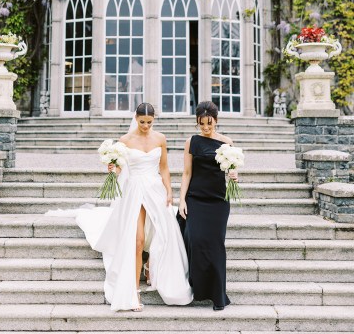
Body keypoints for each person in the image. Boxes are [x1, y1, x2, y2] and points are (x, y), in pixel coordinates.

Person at [76, 102, 193, 312]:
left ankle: (151, 268)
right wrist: (112, 169)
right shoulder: (125, 141)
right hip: (134, 191)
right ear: (135, 118)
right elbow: (120, 169)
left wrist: (169, 190)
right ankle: (133, 291)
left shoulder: (160, 139)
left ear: (154, 119)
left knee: (161, 235)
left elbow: (164, 167)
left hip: (155, 190)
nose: (146, 126)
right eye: (142, 122)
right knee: (137, 240)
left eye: (149, 122)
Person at [177, 100, 238, 311]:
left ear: (216, 121)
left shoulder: (226, 142)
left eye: (209, 124)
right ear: (197, 122)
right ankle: (198, 287)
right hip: (195, 198)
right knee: (194, 239)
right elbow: (187, 173)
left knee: (215, 245)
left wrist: (233, 175)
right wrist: (181, 199)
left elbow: (232, 171)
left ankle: (218, 295)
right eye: (201, 124)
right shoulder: (191, 142)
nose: (205, 128)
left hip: (218, 201)